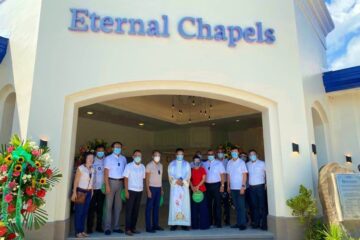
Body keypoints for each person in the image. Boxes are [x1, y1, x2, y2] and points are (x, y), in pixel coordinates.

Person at [103, 142, 127, 235]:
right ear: (112, 148)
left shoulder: (123, 158)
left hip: (120, 183)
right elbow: (106, 173)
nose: (118, 148)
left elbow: (125, 173)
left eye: (119, 147)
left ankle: (116, 226)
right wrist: (107, 185)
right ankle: (107, 228)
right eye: (116, 147)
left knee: (118, 206)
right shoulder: (108, 158)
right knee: (108, 206)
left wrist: (125, 186)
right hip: (111, 182)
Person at [71, 152, 95, 238]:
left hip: (88, 192)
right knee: (79, 212)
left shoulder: (92, 169)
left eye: (92, 158)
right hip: (81, 192)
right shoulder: (80, 168)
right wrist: (74, 192)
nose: (91, 159)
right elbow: (76, 181)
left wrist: (92, 191)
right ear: (85, 158)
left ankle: (82, 230)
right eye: (89, 158)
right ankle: (78, 232)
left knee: (85, 212)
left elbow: (92, 181)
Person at [123, 150, 146, 236]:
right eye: (136, 155)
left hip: (139, 191)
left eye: (139, 155)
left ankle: (133, 228)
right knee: (129, 210)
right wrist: (126, 191)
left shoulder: (143, 167)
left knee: (136, 211)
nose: (138, 157)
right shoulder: (129, 166)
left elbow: (143, 179)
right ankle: (127, 229)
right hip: (130, 191)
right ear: (133, 157)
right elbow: (125, 179)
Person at [168, 148, 191, 231]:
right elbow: (170, 175)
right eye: (178, 154)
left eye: (181, 154)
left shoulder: (187, 164)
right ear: (176, 154)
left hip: (183, 187)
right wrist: (176, 181)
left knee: (184, 205)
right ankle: (174, 224)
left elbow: (188, 175)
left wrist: (183, 181)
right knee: (174, 204)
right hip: (175, 188)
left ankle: (184, 224)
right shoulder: (171, 164)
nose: (180, 156)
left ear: (183, 155)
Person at [202, 149, 225, 228]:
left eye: (211, 154)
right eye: (209, 154)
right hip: (207, 186)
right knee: (208, 205)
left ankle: (218, 223)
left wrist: (222, 186)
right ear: (207, 155)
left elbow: (222, 175)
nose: (210, 156)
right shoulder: (204, 164)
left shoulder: (219, 163)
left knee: (217, 205)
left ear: (214, 155)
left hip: (217, 185)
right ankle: (210, 222)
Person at [227, 147, 248, 230]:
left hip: (240, 188)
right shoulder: (229, 162)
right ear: (231, 153)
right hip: (232, 188)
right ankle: (238, 223)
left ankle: (243, 224)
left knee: (241, 206)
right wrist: (228, 186)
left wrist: (243, 186)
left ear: (238, 153)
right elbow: (228, 175)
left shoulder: (241, 162)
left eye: (235, 152)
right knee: (236, 206)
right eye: (232, 152)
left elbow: (244, 175)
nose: (234, 153)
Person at [87, 145, 106, 233]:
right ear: (96, 151)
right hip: (93, 189)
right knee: (91, 209)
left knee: (100, 209)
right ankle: (89, 228)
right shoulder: (92, 160)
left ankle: (99, 226)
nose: (100, 152)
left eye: (102, 151)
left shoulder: (106, 160)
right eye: (99, 151)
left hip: (102, 189)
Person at [246, 149, 267, 230]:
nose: (252, 156)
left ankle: (264, 224)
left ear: (257, 155)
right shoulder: (247, 164)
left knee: (262, 206)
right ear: (249, 156)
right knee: (254, 206)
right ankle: (256, 223)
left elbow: (267, 174)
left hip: (260, 186)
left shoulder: (262, 163)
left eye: (253, 154)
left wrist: (266, 183)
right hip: (251, 187)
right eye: (250, 155)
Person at [145, 150, 164, 233]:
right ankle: (148, 227)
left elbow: (160, 178)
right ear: (152, 156)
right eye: (156, 155)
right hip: (151, 188)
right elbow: (147, 179)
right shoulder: (149, 165)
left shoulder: (161, 165)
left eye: (159, 155)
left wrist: (161, 188)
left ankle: (155, 225)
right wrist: (148, 190)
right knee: (149, 208)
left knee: (156, 208)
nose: (157, 157)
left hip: (158, 188)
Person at [190, 155, 210, 230]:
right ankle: (194, 225)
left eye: (198, 161)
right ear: (193, 162)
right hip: (194, 191)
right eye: (195, 161)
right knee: (194, 208)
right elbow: (189, 180)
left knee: (203, 208)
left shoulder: (202, 169)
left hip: (202, 190)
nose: (197, 162)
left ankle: (204, 225)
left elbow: (204, 179)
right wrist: (192, 187)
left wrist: (197, 186)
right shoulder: (191, 170)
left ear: (200, 162)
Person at [217, 148, 230, 226]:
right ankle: (217, 221)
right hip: (217, 184)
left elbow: (228, 174)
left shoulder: (227, 162)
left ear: (224, 153)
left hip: (224, 184)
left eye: (221, 152)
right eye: (219, 152)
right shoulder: (214, 161)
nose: (220, 153)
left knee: (226, 203)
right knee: (217, 203)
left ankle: (227, 220)